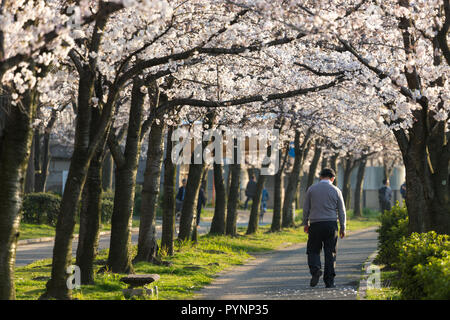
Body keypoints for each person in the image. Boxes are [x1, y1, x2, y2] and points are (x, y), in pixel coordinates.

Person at [302, 168, 346, 288]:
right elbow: (342, 211)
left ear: (320, 177)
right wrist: (343, 227)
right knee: (330, 253)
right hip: (331, 225)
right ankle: (329, 281)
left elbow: (306, 208)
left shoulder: (311, 189)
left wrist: (305, 223)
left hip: (315, 224)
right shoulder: (336, 190)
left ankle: (315, 269)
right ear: (333, 178)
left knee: (313, 250)